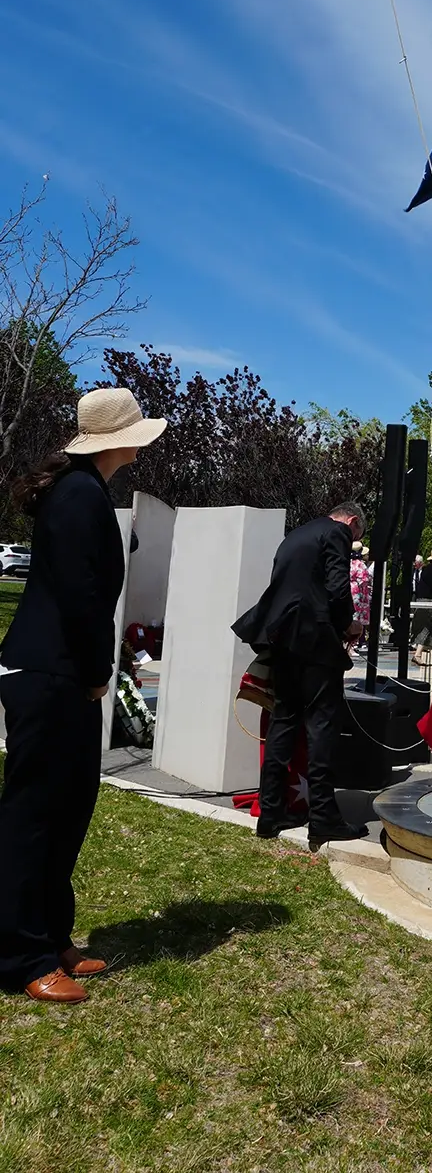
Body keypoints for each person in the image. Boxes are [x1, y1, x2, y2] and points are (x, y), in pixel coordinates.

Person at [0, 388, 166, 1004]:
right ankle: (21, 956)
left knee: (67, 810)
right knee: (35, 816)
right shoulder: (77, 495)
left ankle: (49, 935)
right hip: (51, 673)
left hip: (61, 673)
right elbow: (81, 598)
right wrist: (99, 671)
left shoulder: (83, 488)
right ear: (118, 439)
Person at [233, 500, 368, 850]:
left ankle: (271, 812)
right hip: (315, 640)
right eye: (357, 534)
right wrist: (348, 624)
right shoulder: (336, 533)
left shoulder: (295, 535)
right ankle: (323, 818)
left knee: (284, 721)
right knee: (321, 726)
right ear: (351, 521)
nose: (353, 540)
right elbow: (338, 588)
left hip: (283, 638)